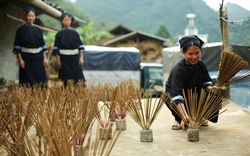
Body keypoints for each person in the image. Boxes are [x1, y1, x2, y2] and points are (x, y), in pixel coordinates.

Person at [165, 35, 221, 130]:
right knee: (172, 97)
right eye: (190, 54)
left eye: (197, 53)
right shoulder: (178, 70)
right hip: (180, 99)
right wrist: (184, 116)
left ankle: (199, 116)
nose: (194, 57)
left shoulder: (201, 64)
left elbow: (206, 82)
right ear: (183, 53)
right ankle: (179, 118)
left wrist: (210, 88)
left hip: (195, 97)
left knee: (214, 95)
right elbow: (176, 95)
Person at [13, 7, 48, 87]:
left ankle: (40, 96)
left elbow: (43, 45)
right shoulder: (20, 30)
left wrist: (45, 59)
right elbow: (17, 46)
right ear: (25, 17)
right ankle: (28, 96)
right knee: (27, 79)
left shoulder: (38, 30)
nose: (31, 18)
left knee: (40, 78)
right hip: (26, 58)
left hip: (38, 58)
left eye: (33, 16)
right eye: (29, 16)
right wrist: (20, 60)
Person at [53, 13, 85, 86]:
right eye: (65, 20)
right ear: (62, 22)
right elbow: (56, 48)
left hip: (75, 58)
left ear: (71, 21)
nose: (67, 22)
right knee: (65, 79)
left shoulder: (75, 33)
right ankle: (66, 94)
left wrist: (81, 58)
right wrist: (58, 61)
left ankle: (78, 93)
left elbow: (80, 46)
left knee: (78, 78)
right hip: (64, 59)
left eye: (68, 20)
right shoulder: (59, 34)